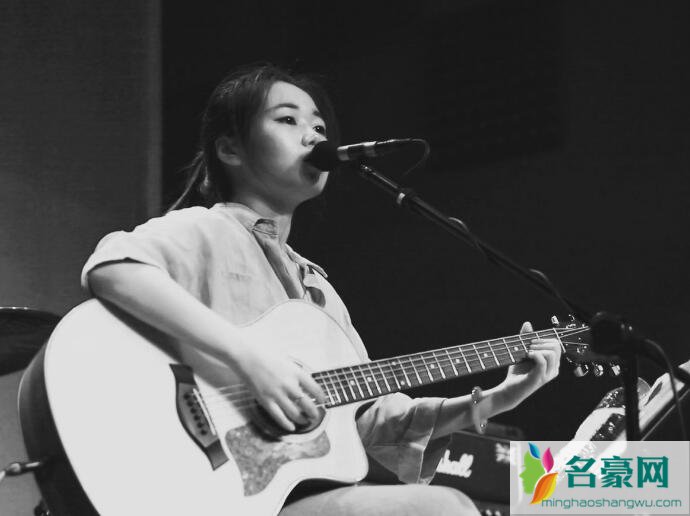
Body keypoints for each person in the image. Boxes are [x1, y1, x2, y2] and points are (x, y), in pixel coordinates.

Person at [82, 64, 562, 515]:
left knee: (447, 505)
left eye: (319, 126)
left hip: (273, 497)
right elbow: (113, 268)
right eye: (287, 119)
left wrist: (494, 399)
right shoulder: (208, 230)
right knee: (442, 508)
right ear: (230, 150)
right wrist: (252, 362)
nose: (313, 135)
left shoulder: (319, 292)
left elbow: (370, 424)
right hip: (192, 486)